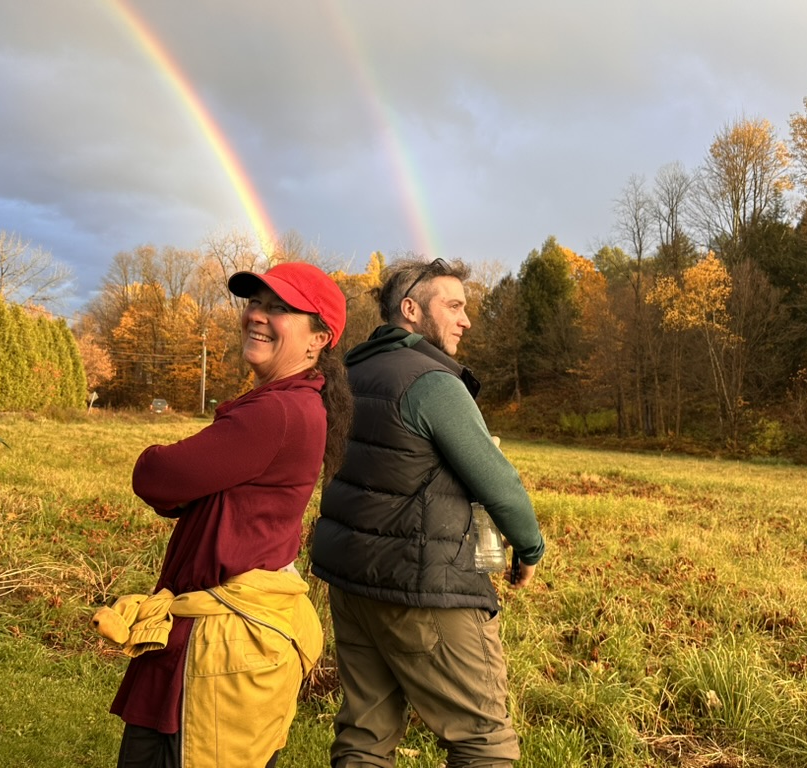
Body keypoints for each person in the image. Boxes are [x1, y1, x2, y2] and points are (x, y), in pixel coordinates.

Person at [92, 261, 352, 768]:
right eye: (255, 302)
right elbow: (190, 486)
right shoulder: (293, 403)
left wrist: (175, 481)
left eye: (279, 308)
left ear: (318, 339)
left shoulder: (275, 412)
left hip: (219, 648)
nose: (257, 315)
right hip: (229, 638)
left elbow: (156, 476)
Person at [310, 256, 546, 768]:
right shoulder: (434, 382)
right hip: (423, 586)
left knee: (365, 735)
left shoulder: (349, 373)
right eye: (454, 306)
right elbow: (500, 484)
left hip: (351, 583)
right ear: (411, 310)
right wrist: (529, 548)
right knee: (484, 741)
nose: (466, 320)